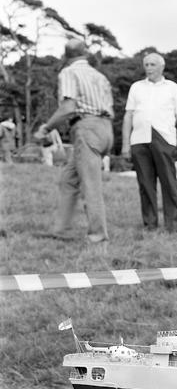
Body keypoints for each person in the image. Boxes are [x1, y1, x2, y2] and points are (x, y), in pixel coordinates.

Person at [33, 39, 114, 242]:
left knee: (90, 184)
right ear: (85, 53)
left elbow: (69, 107)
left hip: (87, 128)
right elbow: (110, 107)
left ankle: (98, 235)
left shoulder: (69, 72)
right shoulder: (100, 76)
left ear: (66, 54)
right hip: (106, 130)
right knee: (68, 180)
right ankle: (61, 230)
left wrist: (46, 128)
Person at [121, 52, 177, 232]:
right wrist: (125, 143)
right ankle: (150, 224)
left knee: (169, 182)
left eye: (152, 64)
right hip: (139, 139)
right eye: (146, 64)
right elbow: (128, 115)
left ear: (162, 67)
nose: (149, 68)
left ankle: (173, 224)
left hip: (164, 138)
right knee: (145, 184)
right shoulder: (136, 87)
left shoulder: (172, 87)